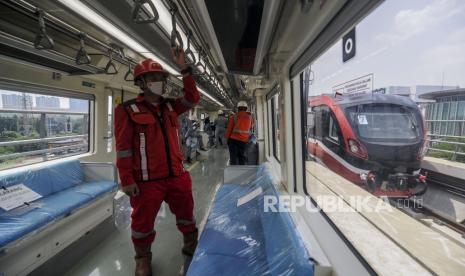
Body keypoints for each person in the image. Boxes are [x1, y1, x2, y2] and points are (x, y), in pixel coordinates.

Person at [114, 47, 200, 276]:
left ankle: (191, 244)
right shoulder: (126, 109)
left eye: (161, 78)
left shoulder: (171, 106)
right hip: (146, 181)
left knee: (187, 214)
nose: (159, 82)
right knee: (142, 224)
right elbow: (123, 149)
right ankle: (142, 259)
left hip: (177, 176)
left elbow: (193, 98)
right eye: (153, 78)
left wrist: (185, 69)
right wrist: (126, 179)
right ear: (141, 83)